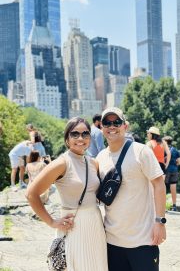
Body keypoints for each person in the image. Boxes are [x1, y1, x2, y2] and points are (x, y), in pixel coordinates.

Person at [26, 117, 108, 271]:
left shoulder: (93, 163)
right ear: (67, 138)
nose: (80, 138)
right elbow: (31, 194)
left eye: (85, 134)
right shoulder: (61, 163)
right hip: (73, 227)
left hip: (95, 225)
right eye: (75, 134)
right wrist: (51, 222)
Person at [96, 107, 166, 271]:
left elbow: (159, 184)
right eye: (107, 123)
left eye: (116, 122)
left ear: (125, 126)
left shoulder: (141, 151)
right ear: (102, 128)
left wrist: (160, 222)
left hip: (143, 241)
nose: (112, 126)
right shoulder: (100, 158)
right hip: (112, 242)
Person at [163, 136, 180, 212]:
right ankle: (174, 206)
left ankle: (163, 206)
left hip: (166, 170)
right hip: (174, 170)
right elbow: (179, 161)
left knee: (163, 188)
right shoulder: (176, 150)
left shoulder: (164, 150)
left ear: (166, 142)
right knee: (173, 188)